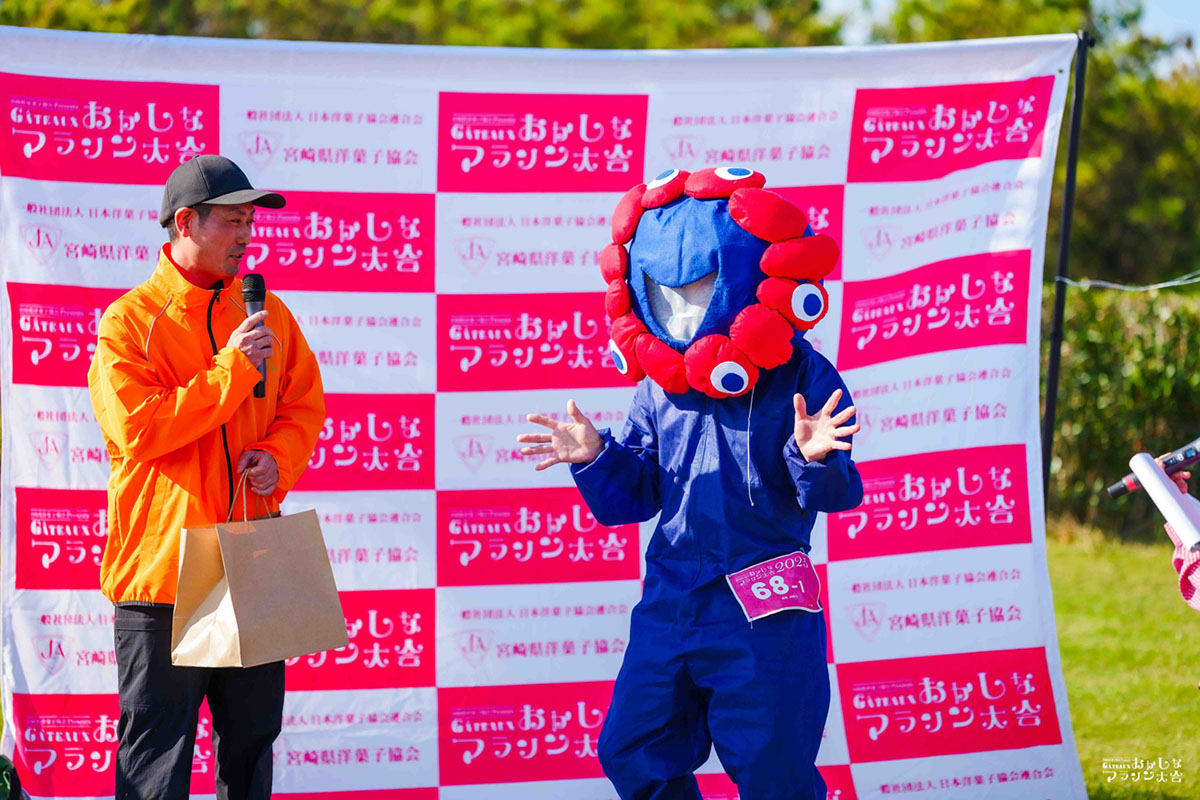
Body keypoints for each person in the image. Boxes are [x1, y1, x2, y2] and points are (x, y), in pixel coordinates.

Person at [518, 168, 863, 799]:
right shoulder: (659, 384)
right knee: (634, 748)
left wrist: (813, 456)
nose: (682, 309)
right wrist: (596, 457)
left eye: (700, 288)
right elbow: (636, 496)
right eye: (666, 293)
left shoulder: (800, 372)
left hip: (765, 599)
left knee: (774, 770)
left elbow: (838, 494)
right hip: (672, 596)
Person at [87, 155, 325, 799]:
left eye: (250, 221)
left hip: (254, 558)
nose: (247, 235)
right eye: (232, 222)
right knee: (155, 757)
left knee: (250, 748)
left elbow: (304, 406)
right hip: (164, 572)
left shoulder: (269, 312)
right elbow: (140, 429)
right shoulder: (129, 321)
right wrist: (231, 370)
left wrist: (278, 457)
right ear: (185, 223)